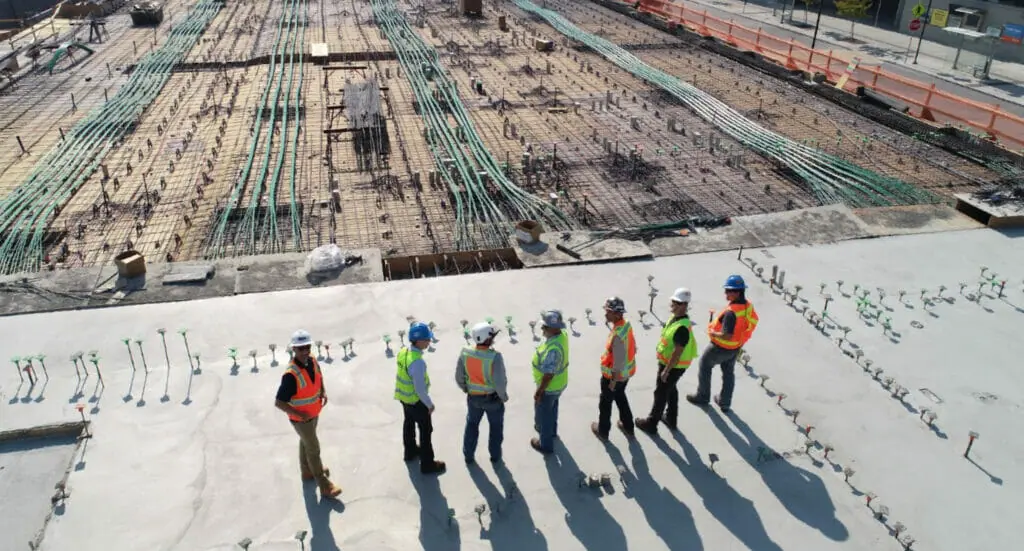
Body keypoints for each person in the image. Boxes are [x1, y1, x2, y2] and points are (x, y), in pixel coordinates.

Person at [275, 330, 342, 498]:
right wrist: (298, 413)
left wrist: (323, 392)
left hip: (313, 412)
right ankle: (324, 485)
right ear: (294, 350)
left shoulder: (312, 360)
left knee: (306, 442)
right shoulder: (291, 375)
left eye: (307, 347)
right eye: (300, 348)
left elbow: (319, 377)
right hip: (301, 419)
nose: (305, 351)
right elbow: (279, 402)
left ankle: (307, 472)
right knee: (313, 449)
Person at [687, 275, 759, 413]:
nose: (725, 293)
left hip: (720, 348)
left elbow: (727, 335)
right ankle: (725, 402)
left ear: (737, 292)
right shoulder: (747, 306)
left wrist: (713, 333)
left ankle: (703, 396)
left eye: (728, 291)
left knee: (704, 365)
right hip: (735, 347)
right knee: (728, 373)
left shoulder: (731, 313)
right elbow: (751, 323)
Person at [635, 288, 698, 435]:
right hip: (670, 363)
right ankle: (671, 417)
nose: (672, 305)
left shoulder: (682, 328)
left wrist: (666, 370)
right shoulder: (675, 319)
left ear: (684, 305)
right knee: (671, 388)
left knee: (661, 393)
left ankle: (651, 423)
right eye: (673, 302)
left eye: (676, 303)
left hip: (673, 366)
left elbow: (678, 352)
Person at [395, 322, 446, 474]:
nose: (429, 341)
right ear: (419, 341)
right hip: (416, 401)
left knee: (408, 424)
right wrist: (429, 405)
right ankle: (427, 464)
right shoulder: (417, 362)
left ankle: (410, 452)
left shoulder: (404, 352)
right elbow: (420, 389)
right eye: (427, 339)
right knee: (426, 431)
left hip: (404, 397)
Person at [456, 322, 509, 464]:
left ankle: (468, 455)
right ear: (488, 339)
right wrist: (503, 397)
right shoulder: (495, 357)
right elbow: (500, 382)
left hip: (473, 398)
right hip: (493, 399)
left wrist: (466, 388)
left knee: (472, 425)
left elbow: (459, 377)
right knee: (496, 428)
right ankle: (495, 456)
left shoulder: (465, 352)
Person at [591, 297, 637, 440]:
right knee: (620, 397)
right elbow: (633, 346)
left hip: (613, 376)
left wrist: (612, 382)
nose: (605, 314)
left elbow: (618, 361)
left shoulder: (617, 335)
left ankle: (603, 431)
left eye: (608, 311)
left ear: (617, 314)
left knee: (605, 403)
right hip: (626, 374)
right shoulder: (626, 325)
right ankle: (628, 426)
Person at [531, 310, 569, 454]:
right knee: (552, 409)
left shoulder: (553, 350)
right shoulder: (562, 335)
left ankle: (545, 444)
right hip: (559, 385)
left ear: (553, 329)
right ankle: (552, 433)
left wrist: (539, 391)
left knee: (544, 416)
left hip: (549, 388)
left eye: (545, 327)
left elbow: (548, 375)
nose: (542, 330)